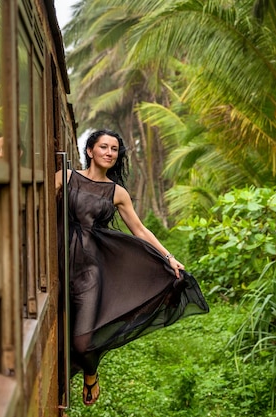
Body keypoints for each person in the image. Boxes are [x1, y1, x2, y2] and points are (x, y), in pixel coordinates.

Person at [55, 129, 209, 406]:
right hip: (56, 263)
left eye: (114, 149)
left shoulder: (117, 193)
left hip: (91, 271)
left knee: (82, 341)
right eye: (104, 147)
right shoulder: (65, 178)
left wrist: (169, 256)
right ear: (89, 151)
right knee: (62, 334)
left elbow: (139, 229)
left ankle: (91, 373)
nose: (109, 153)